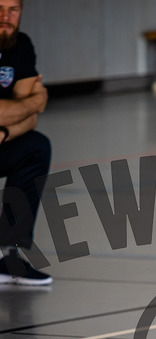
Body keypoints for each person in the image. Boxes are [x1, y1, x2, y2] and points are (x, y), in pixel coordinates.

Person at [0, 0, 51, 285]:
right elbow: (30, 105)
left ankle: (7, 255)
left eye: (13, 9)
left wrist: (5, 133)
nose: (5, 16)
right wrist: (33, 101)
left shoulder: (21, 45)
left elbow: (31, 117)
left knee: (35, 147)